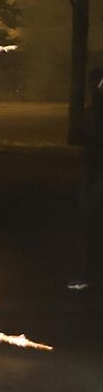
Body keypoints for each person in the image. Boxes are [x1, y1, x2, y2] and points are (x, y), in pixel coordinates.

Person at [75, 68, 103, 291]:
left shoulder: (94, 109)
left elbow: (91, 141)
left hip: (95, 170)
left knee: (90, 223)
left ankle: (87, 274)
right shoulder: (93, 109)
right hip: (94, 170)